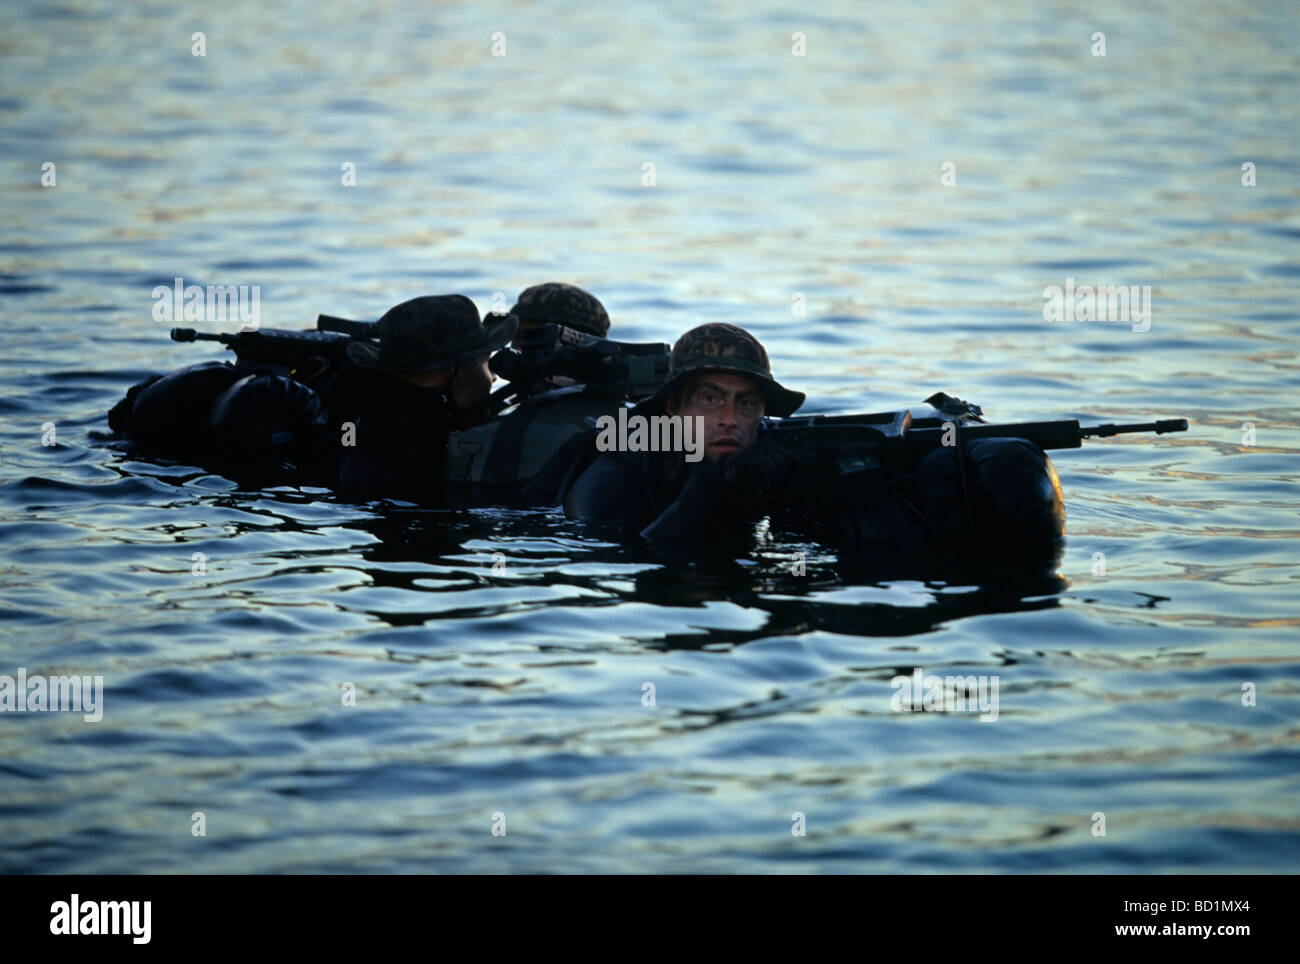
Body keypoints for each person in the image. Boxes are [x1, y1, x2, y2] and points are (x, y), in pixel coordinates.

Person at [558, 322, 813, 546]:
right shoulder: (615, 475)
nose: (730, 420)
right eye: (710, 399)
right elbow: (620, 555)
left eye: (746, 404)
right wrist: (715, 488)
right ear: (673, 409)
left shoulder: (766, 462)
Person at [323, 294, 517, 500]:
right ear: (452, 371)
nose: (493, 378)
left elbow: (346, 446)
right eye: (486, 364)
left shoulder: (359, 414)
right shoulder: (436, 446)